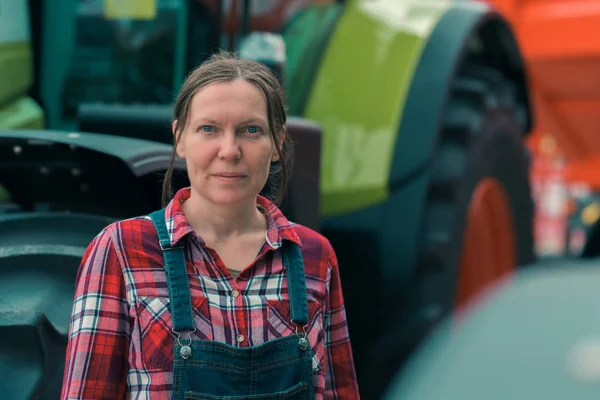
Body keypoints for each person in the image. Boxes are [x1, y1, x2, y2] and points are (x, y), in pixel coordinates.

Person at [60, 51, 360, 399]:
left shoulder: (314, 256)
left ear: (277, 144)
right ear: (180, 139)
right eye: (209, 129)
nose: (229, 150)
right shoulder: (121, 249)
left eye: (251, 130)